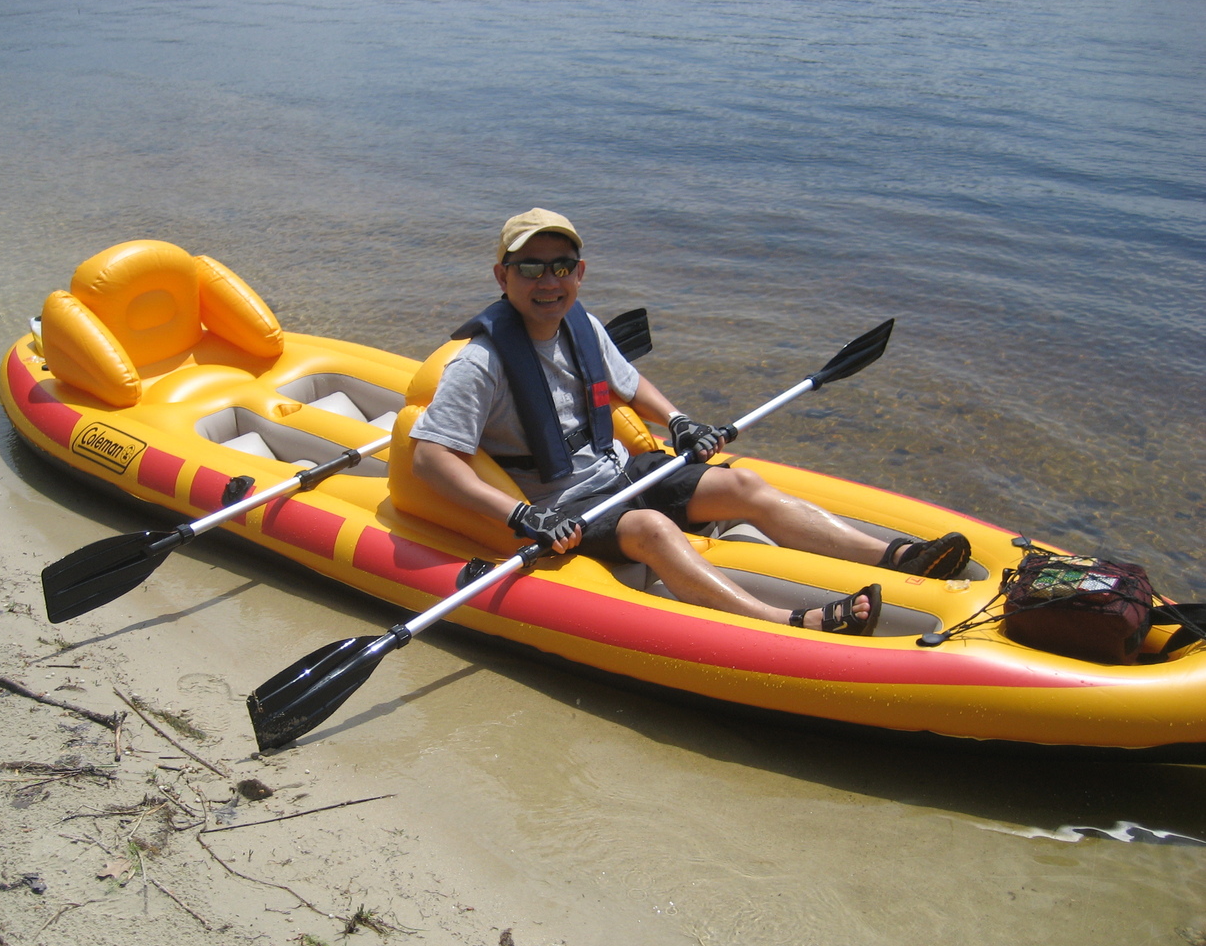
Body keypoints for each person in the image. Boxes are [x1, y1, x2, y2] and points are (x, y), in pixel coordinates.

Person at [409, 208, 970, 636]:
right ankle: (784, 621)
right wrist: (523, 515)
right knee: (654, 529)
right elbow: (431, 459)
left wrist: (678, 421)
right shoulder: (481, 364)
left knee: (742, 484)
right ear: (502, 276)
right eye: (530, 268)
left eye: (560, 267)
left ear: (579, 273)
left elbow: (630, 384)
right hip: (564, 506)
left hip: (622, 472)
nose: (547, 281)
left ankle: (897, 557)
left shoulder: (582, 326)